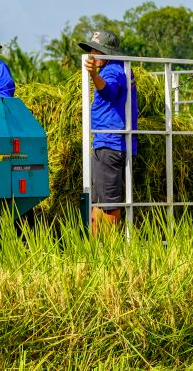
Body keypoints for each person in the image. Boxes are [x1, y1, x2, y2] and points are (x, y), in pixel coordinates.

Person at [80, 30, 137, 236]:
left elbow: (109, 91)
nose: (93, 54)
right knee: (99, 201)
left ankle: (110, 252)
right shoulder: (119, 69)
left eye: (97, 50)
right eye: (92, 50)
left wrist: (94, 75)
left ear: (107, 52)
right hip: (105, 141)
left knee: (109, 203)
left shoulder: (113, 70)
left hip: (110, 142)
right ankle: (96, 248)